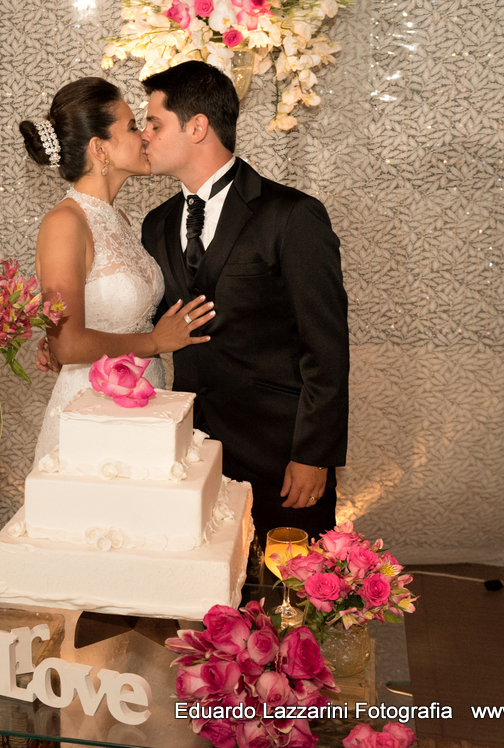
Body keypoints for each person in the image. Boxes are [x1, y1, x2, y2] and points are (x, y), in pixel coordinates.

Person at [138, 61, 349, 541]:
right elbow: (152, 322)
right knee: (208, 600)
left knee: (286, 598)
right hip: (192, 456)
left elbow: (327, 347)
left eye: (154, 122)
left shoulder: (292, 216)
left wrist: (314, 453)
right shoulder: (156, 223)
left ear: (197, 127)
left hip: (280, 452)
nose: (144, 135)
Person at [20, 77, 214, 461]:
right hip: (91, 410)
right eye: (130, 127)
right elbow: (68, 344)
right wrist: (155, 343)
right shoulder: (65, 222)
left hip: (147, 400)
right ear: (99, 149)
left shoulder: (120, 218)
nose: (144, 135)